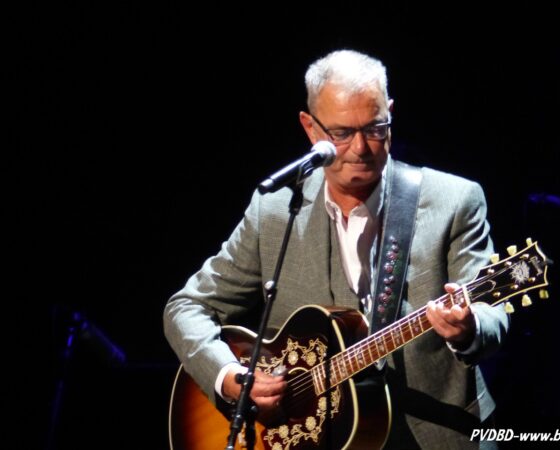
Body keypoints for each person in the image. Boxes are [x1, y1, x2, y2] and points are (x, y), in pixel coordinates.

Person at [164, 49, 509, 449]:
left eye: (376, 128)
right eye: (341, 134)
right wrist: (228, 376)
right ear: (310, 129)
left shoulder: (455, 201)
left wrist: (468, 329)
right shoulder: (275, 212)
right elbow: (185, 307)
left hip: (438, 434)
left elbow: (491, 312)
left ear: (391, 113)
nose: (361, 148)